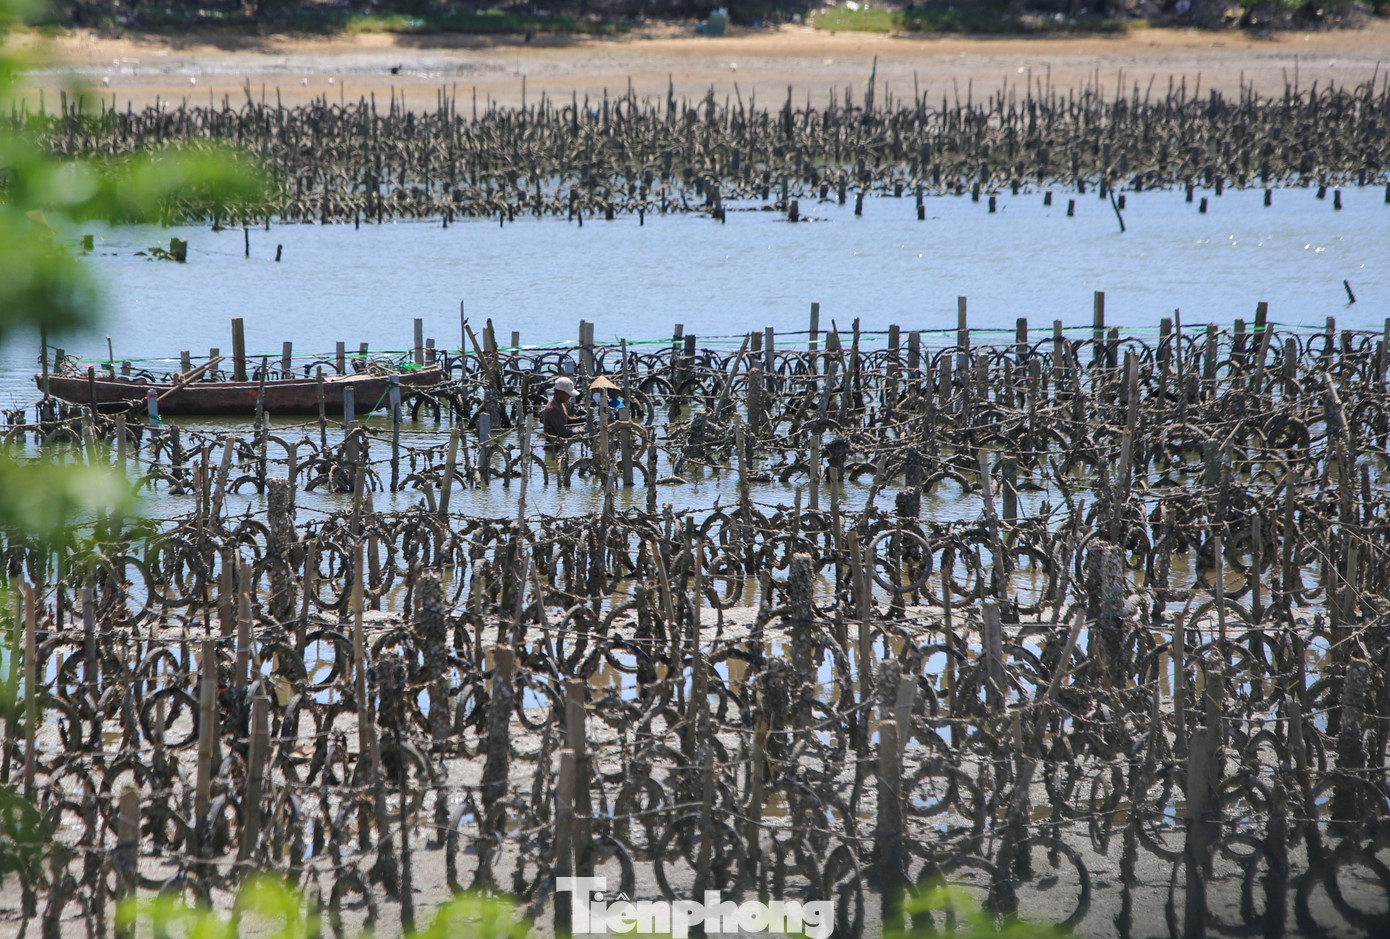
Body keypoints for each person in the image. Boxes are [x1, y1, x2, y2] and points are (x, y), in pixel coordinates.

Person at [541, 376, 582, 447]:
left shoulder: (559, 404)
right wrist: (582, 431)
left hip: (559, 446)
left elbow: (566, 420)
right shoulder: (553, 409)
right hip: (553, 448)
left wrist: (581, 419)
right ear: (560, 392)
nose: (570, 396)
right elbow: (563, 433)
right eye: (568, 394)